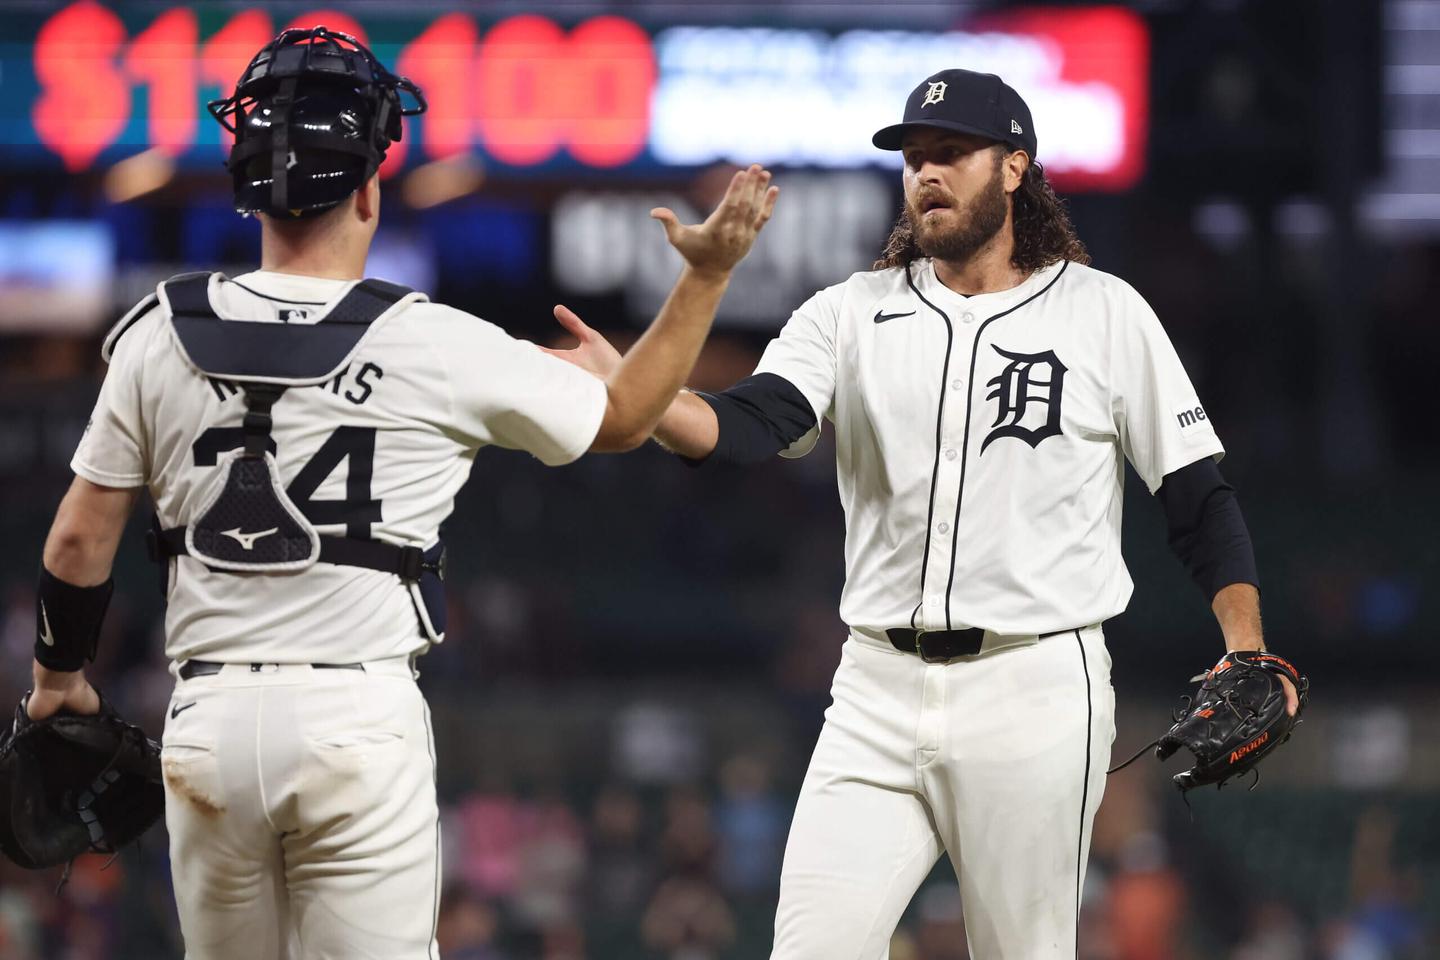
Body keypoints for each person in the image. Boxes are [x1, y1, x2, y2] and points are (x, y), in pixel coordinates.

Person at [26, 26, 776, 960]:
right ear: (372, 189)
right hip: (354, 717)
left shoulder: (156, 334)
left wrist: (59, 683)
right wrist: (705, 275)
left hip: (208, 720)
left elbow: (73, 546)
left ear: (247, 184)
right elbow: (626, 417)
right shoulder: (433, 342)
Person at [543, 69, 1299, 959]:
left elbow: (1197, 499)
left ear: (1015, 167)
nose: (926, 173)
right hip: (872, 689)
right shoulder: (850, 312)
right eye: (913, 158)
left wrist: (1244, 646)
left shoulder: (1104, 314)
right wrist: (638, 386)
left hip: (1036, 684)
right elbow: (747, 425)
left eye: (951, 153)